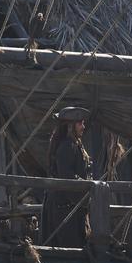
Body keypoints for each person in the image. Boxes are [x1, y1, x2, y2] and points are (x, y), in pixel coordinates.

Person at [41, 106, 93, 248]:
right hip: (64, 207)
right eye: (80, 123)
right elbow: (67, 177)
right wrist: (89, 186)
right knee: (68, 247)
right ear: (71, 126)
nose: (83, 126)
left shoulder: (74, 145)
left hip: (69, 205)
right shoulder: (66, 146)